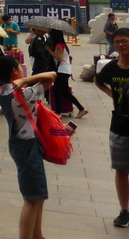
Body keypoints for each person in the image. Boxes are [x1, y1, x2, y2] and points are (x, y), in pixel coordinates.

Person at [0, 54, 59, 239]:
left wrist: (22, 80)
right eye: (19, 68)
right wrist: (25, 81)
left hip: (20, 144)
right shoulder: (26, 93)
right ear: (14, 72)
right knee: (32, 198)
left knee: (37, 194)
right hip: (27, 147)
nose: (22, 70)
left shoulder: (4, 90)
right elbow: (52, 76)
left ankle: (37, 238)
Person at [95, 27, 129, 228]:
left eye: (125, 41)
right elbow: (97, 81)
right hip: (119, 126)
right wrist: (112, 95)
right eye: (117, 42)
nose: (121, 45)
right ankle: (124, 210)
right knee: (121, 170)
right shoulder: (111, 68)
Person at [45, 28, 87, 119]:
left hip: (62, 71)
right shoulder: (61, 44)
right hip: (65, 70)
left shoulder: (59, 45)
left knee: (57, 91)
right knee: (64, 92)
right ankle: (81, 109)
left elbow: (59, 58)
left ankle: (58, 112)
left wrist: (49, 51)